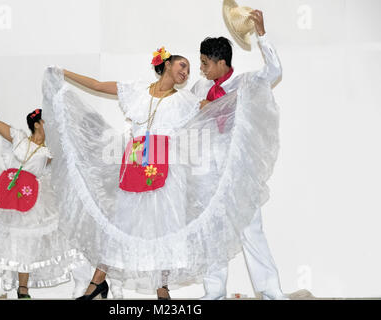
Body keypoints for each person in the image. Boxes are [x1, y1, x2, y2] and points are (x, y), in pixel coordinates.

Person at [42, 39, 280, 299]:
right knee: (122, 223)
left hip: (167, 171)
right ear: (166, 64)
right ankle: (98, 281)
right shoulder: (137, 91)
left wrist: (247, 99)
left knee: (165, 228)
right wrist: (64, 73)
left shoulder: (186, 100)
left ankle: (162, 287)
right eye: (183, 65)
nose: (187, 72)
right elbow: (99, 85)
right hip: (135, 164)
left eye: (190, 69)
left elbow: (217, 108)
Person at [191, 10, 288, 300]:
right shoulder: (200, 88)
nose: (202, 69)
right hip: (208, 168)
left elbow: (274, 71)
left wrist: (262, 34)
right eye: (200, 63)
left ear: (222, 62)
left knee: (251, 227)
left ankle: (270, 289)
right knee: (211, 227)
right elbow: (187, 117)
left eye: (206, 63)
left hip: (238, 166)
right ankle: (214, 289)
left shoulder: (245, 84)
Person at [0, 89, 80, 299]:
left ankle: (22, 289)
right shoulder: (18, 137)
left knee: (26, 243)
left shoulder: (49, 151)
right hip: (8, 195)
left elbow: (64, 163)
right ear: (38, 123)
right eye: (47, 121)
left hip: (30, 200)